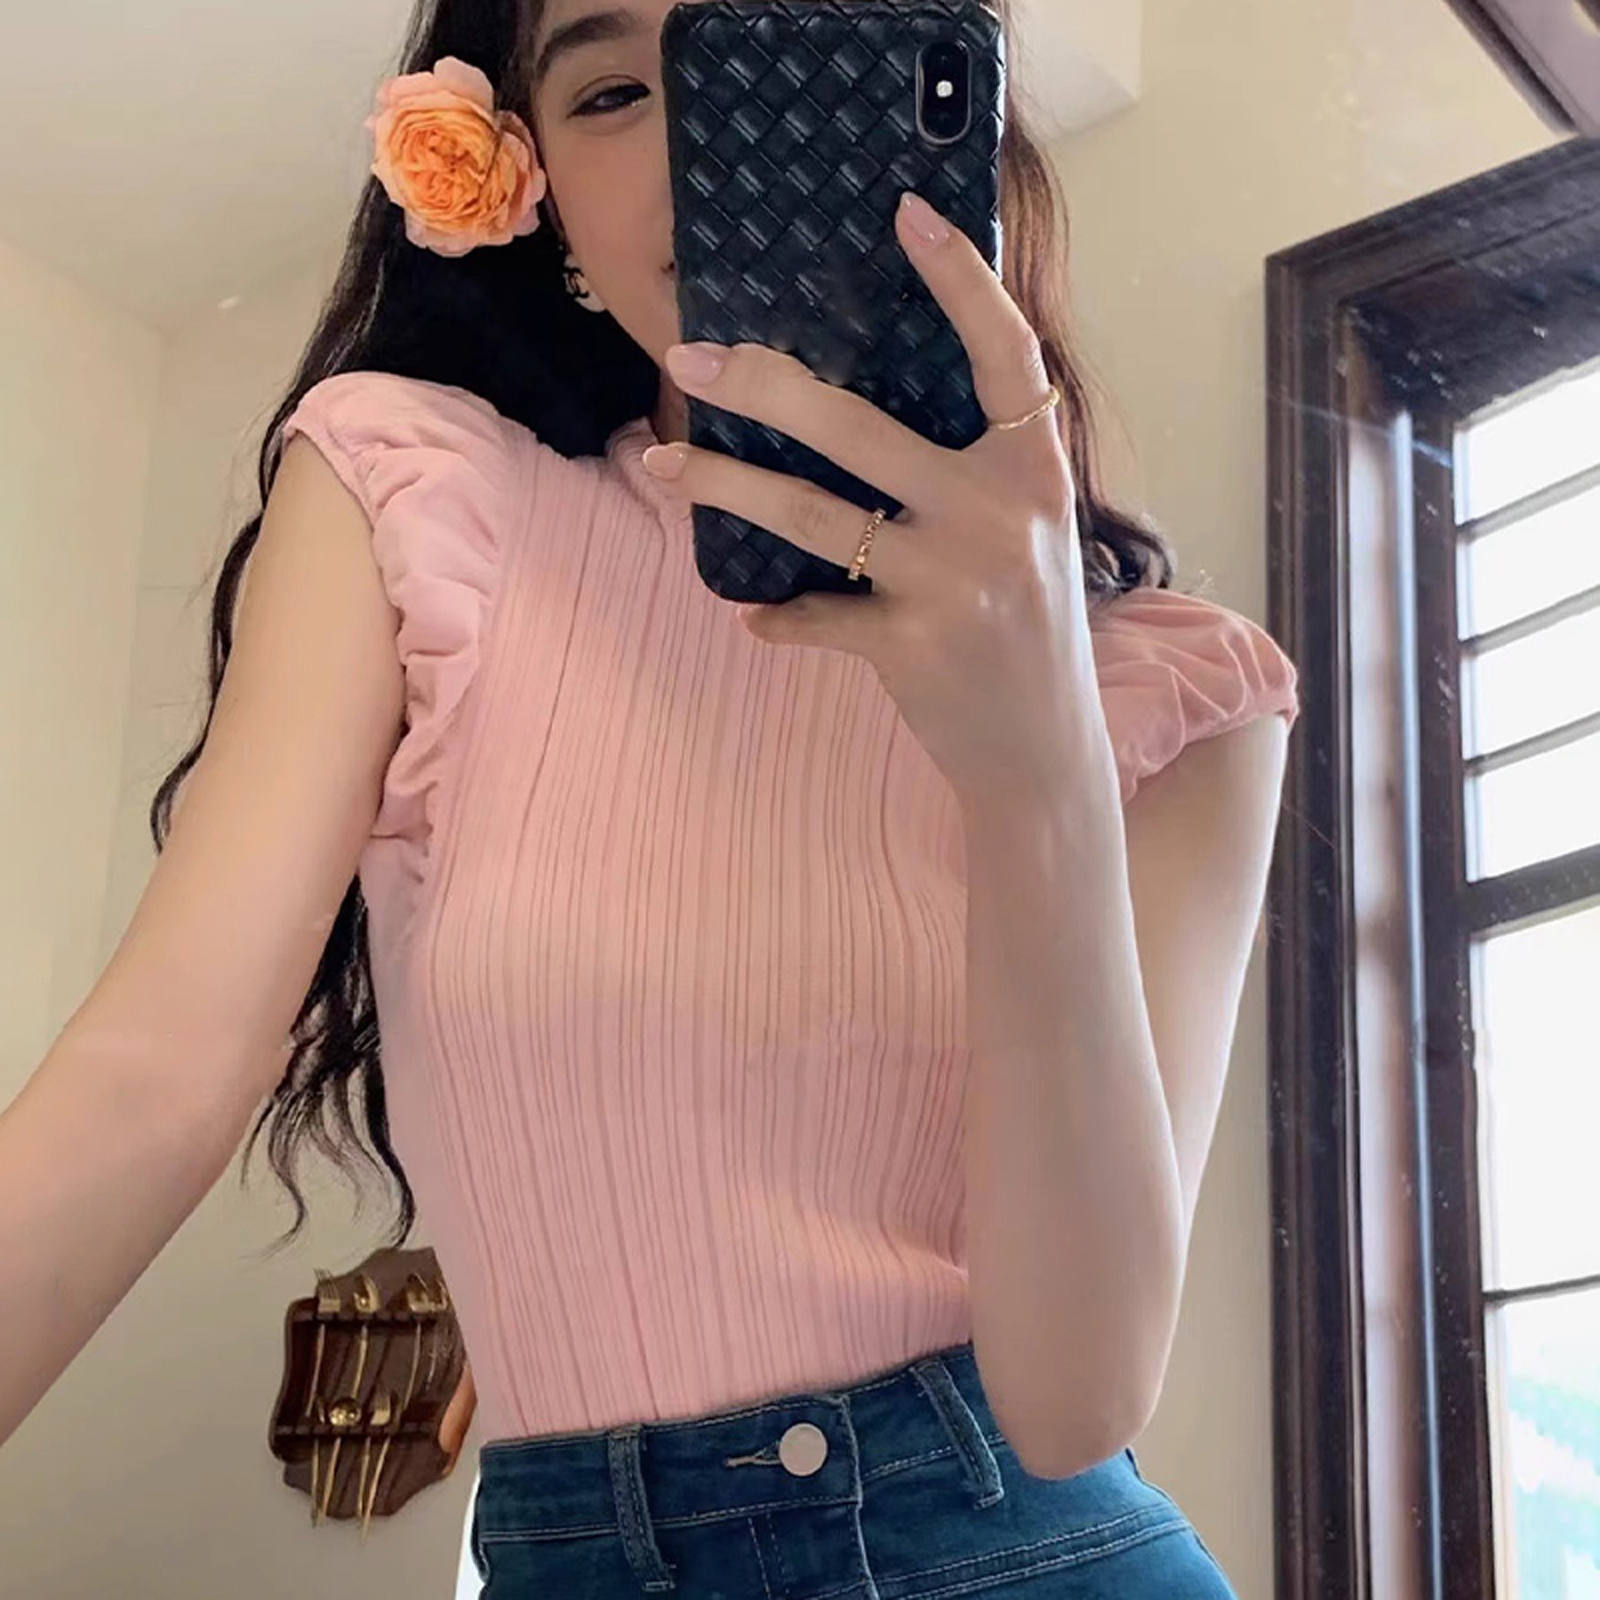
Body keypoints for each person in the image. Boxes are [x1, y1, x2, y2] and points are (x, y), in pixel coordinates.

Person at [0, 0, 1300, 1593]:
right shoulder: (415, 492)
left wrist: (1036, 756)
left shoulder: (1181, 694)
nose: (708, 143)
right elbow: (151, 1078)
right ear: (531, 180)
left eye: (775, 58)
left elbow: (1075, 1401)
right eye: (614, 89)